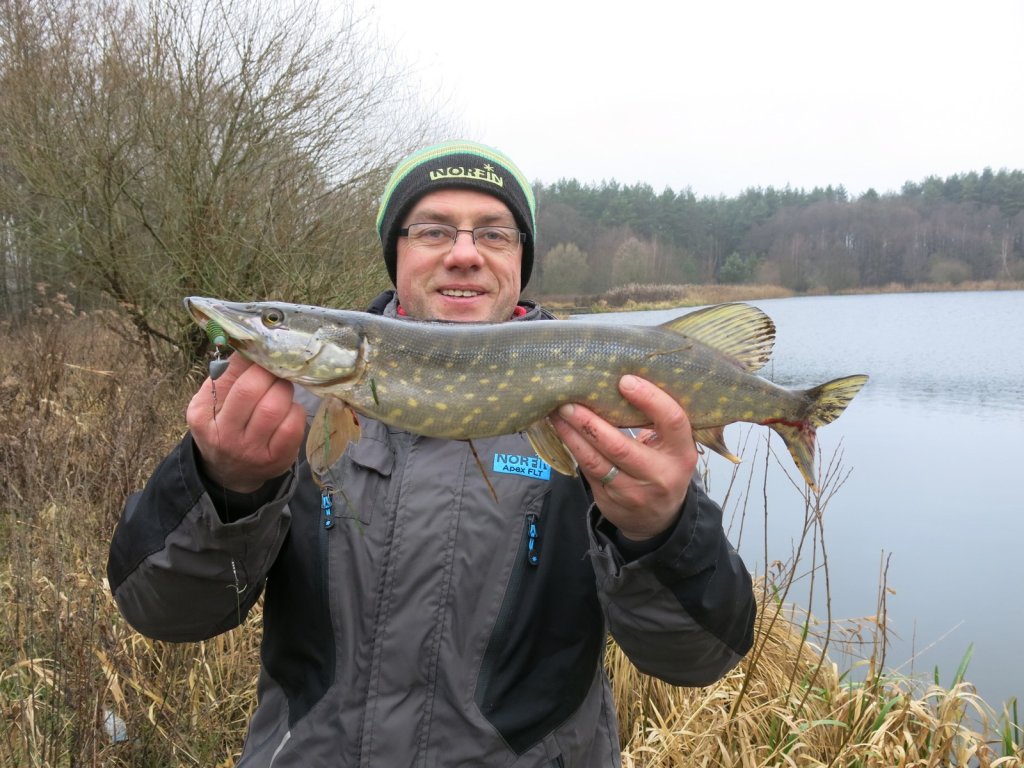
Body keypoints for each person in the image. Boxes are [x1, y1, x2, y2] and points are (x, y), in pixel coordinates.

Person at [108, 140, 756, 766]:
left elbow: (697, 658)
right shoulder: (282, 420)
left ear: (521, 259)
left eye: (494, 234)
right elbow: (165, 613)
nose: (464, 254)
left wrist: (659, 531)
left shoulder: (599, 427)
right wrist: (225, 486)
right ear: (395, 253)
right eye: (433, 230)